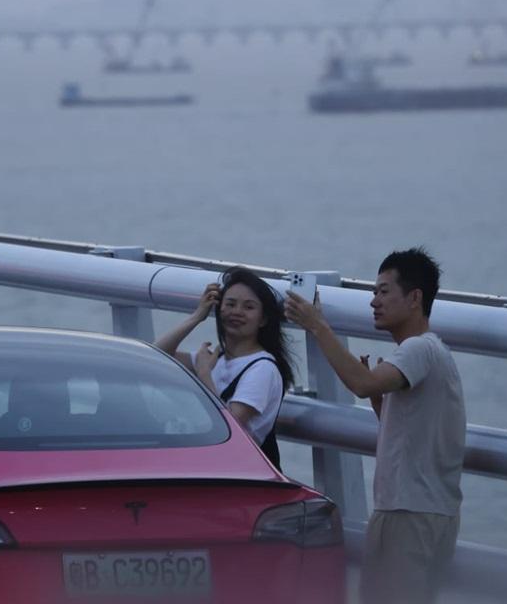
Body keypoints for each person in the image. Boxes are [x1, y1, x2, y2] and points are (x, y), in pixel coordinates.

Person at [285, 247, 465, 604]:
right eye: (373, 292)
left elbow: (362, 383)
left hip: (408, 514)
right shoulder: (430, 354)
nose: (373, 301)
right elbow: (418, 430)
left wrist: (317, 325)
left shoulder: (418, 350)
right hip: (429, 512)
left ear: (415, 298)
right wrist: (382, 406)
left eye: (383, 291)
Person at [156, 266, 295, 470]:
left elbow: (231, 426)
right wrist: (197, 316)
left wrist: (204, 375)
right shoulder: (217, 357)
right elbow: (157, 355)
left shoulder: (262, 368)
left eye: (248, 307)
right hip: (212, 464)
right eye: (230, 304)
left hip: (239, 473)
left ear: (263, 319)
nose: (236, 312)